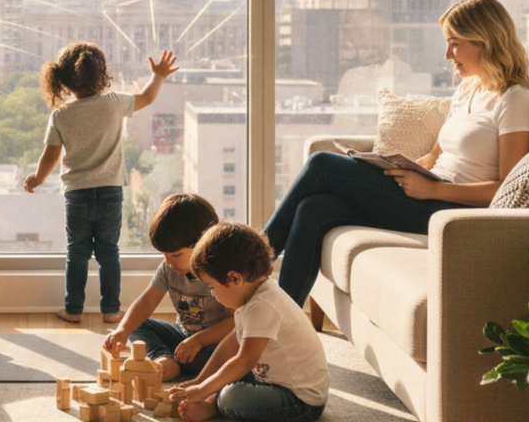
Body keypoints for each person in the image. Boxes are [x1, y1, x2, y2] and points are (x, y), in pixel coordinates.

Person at [263, 0, 529, 306]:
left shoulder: (516, 100)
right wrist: (410, 166)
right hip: (427, 192)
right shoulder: (469, 88)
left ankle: (250, 261)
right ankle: (280, 323)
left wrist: (432, 189)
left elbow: (506, 189)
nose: (448, 55)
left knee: (321, 164)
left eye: (455, 43)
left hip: (454, 213)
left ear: (485, 41)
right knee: (314, 207)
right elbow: (438, 153)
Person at [24, 42, 179, 323]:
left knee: (77, 253)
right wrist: (159, 75)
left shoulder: (61, 115)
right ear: (102, 75)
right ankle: (110, 311)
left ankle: (73, 309)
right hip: (110, 193)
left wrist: (37, 178)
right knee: (109, 253)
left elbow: (50, 156)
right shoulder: (114, 103)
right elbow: (146, 97)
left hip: (77, 196)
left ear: (64, 79)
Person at [169, 222, 328, 422]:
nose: (212, 294)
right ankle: (212, 402)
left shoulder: (263, 306)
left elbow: (245, 360)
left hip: (300, 401)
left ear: (235, 278)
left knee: (231, 396)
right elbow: (230, 346)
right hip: (271, 380)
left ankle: (215, 406)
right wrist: (200, 381)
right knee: (230, 375)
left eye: (212, 287)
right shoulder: (252, 296)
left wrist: (203, 390)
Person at [103, 194, 235, 381]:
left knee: (230, 354)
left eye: (175, 254)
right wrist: (122, 330)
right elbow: (147, 301)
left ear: (203, 244)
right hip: (183, 338)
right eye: (163, 254)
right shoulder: (169, 268)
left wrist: (198, 341)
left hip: (215, 346)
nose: (168, 262)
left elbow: (234, 322)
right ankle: (164, 359)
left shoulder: (221, 272)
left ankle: (191, 368)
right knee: (135, 322)